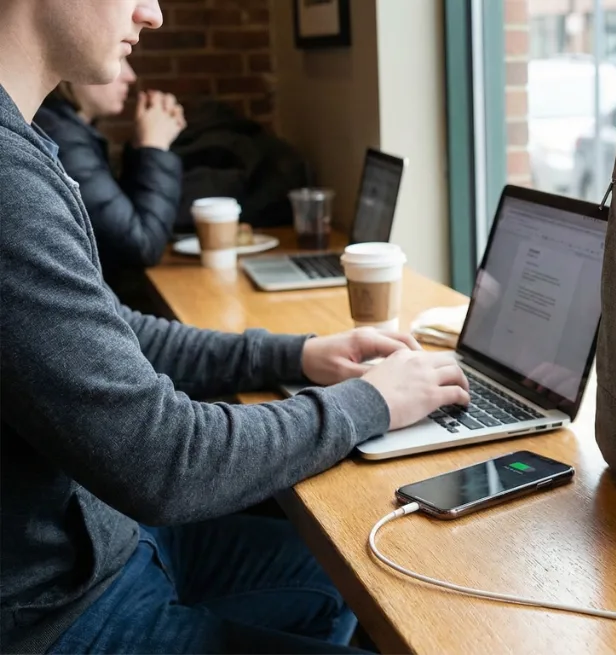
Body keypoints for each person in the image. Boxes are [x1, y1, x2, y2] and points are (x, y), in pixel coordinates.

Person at [0, 1, 471, 653]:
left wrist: (299, 354)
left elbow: (112, 329)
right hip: (54, 611)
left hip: (103, 539)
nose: (153, 13)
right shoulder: (8, 181)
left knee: (343, 578)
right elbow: (160, 459)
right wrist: (373, 401)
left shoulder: (25, 143)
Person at [34, 58, 186, 276]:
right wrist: (154, 147)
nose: (130, 76)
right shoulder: (62, 138)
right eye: (118, 58)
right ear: (73, 69)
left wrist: (141, 150)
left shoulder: (66, 129)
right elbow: (142, 246)